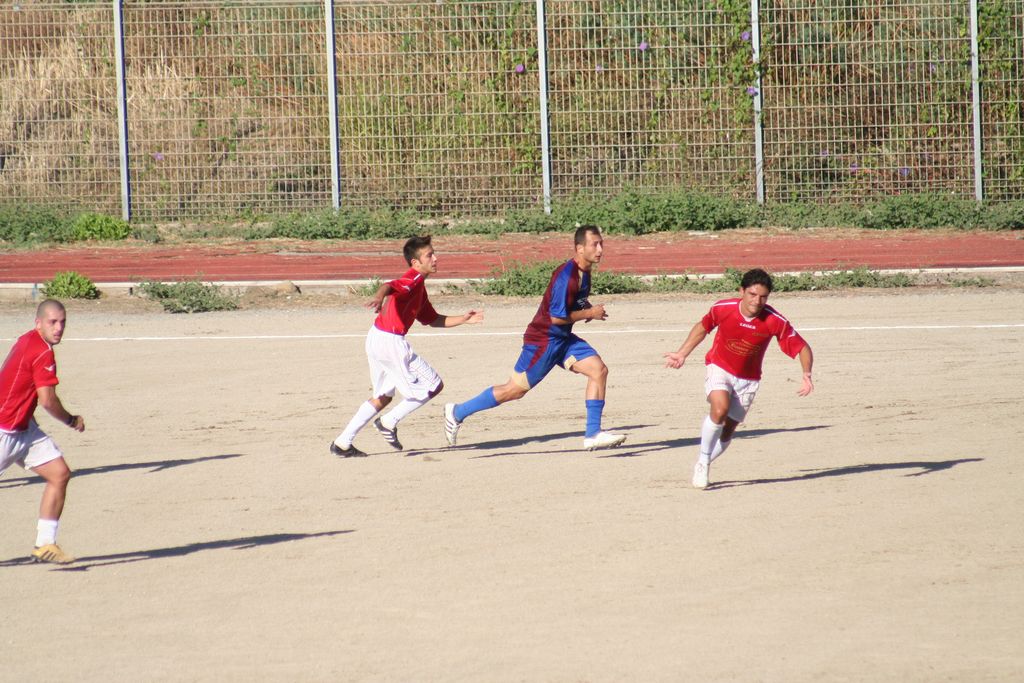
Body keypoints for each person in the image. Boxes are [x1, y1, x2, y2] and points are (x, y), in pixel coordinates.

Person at [444, 225, 626, 451]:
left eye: (601, 244)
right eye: (594, 245)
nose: (600, 249)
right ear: (580, 248)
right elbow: (556, 317)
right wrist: (590, 312)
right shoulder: (567, 276)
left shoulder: (584, 272)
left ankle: (593, 434)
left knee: (598, 370)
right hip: (543, 341)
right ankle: (457, 412)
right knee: (515, 390)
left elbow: (573, 303)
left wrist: (586, 308)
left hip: (562, 340)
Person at [330, 235, 483, 456]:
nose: (435, 258)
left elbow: (433, 319)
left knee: (383, 396)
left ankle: (342, 443)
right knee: (432, 386)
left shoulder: (419, 288)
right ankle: (388, 422)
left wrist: (464, 319)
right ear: (415, 262)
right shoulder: (412, 279)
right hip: (390, 342)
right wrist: (379, 296)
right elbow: (388, 285)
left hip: (377, 337)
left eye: (434, 253)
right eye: (429, 255)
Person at [664, 268, 813, 489]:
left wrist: (806, 374)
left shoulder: (775, 321)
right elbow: (703, 327)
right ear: (741, 291)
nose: (757, 301)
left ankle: (705, 459)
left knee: (727, 432)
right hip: (719, 367)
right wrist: (682, 353)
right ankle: (703, 462)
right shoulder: (723, 308)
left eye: (763, 297)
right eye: (752, 294)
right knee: (719, 410)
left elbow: (802, 347)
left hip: (748, 380)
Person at [0, 300, 85, 564]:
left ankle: (45, 543)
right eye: (52, 322)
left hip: (24, 427)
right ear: (38, 323)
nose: (59, 328)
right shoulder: (42, 352)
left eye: (63, 322)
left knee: (59, 473)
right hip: (4, 430)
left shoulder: (30, 340)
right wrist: (71, 420)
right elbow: (47, 400)